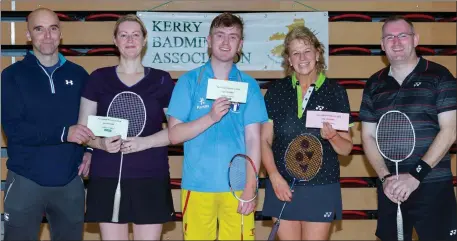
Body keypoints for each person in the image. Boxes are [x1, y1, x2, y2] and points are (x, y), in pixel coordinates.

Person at [166, 12, 268, 240]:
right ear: (209, 41)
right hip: (198, 185)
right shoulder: (189, 81)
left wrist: (251, 186)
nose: (225, 41)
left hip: (238, 187)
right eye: (219, 35)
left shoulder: (249, 86)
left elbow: (253, 140)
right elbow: (174, 135)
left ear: (240, 44)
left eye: (233, 37)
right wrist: (211, 117)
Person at [77, 14, 175, 240]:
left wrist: (145, 142)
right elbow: (83, 131)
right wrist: (100, 143)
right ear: (115, 40)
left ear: (145, 39)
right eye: (123, 35)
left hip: (150, 174)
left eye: (135, 34)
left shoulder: (162, 80)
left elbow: (176, 130)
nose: (130, 40)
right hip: (108, 174)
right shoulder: (98, 78)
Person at [360, 15, 457, 241]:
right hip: (390, 188)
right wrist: (385, 179)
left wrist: (414, 177)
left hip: (433, 185)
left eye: (403, 35)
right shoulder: (374, 83)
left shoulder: (440, 76)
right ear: (382, 46)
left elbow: (450, 131)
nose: (396, 42)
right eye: (389, 37)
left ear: (415, 40)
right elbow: (367, 136)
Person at [1, 8, 95, 241]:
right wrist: (64, 133)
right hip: (26, 180)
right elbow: (14, 129)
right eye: (39, 29)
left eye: (53, 28)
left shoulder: (79, 74)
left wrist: (91, 150)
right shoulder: (11, 75)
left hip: (69, 180)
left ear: (60, 33)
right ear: (28, 35)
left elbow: (91, 119)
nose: (47, 36)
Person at [261, 26, 354, 240]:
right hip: (282, 185)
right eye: (295, 53)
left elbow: (347, 148)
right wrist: (274, 177)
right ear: (289, 60)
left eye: (307, 51)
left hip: (322, 186)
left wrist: (333, 136)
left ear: (318, 54)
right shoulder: (276, 91)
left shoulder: (335, 92)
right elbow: (264, 140)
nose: (302, 58)